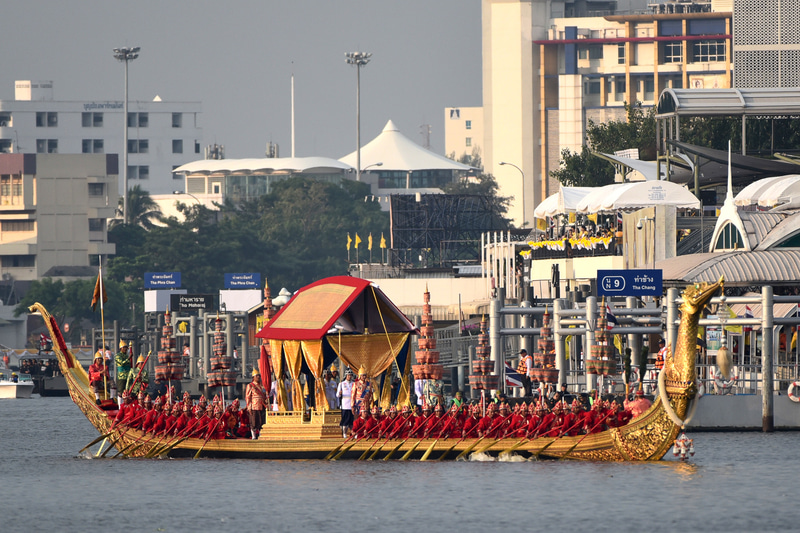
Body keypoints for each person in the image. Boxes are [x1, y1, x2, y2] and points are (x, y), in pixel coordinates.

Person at [246, 369, 268, 439]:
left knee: (261, 421)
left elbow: (264, 395)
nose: (258, 377)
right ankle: (253, 436)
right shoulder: (250, 385)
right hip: (254, 406)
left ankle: (261, 435)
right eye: (257, 376)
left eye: (259, 375)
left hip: (261, 405)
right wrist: (249, 407)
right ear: (253, 377)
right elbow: (248, 397)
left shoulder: (262, 386)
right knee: (254, 421)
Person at [337, 369, 354, 437]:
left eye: (350, 375)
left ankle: (352, 433)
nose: (349, 377)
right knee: (345, 419)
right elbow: (337, 395)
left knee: (351, 419)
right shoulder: (341, 384)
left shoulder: (353, 384)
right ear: (346, 376)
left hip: (352, 404)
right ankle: (344, 433)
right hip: (345, 404)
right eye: (348, 375)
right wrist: (340, 393)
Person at [115, 340, 132, 404]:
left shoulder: (127, 356)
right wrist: (129, 358)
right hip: (121, 377)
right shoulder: (118, 356)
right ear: (121, 348)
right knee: (121, 392)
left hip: (128, 377)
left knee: (128, 391)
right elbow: (122, 363)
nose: (126, 349)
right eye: (124, 348)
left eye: (126, 348)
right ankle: (120, 407)